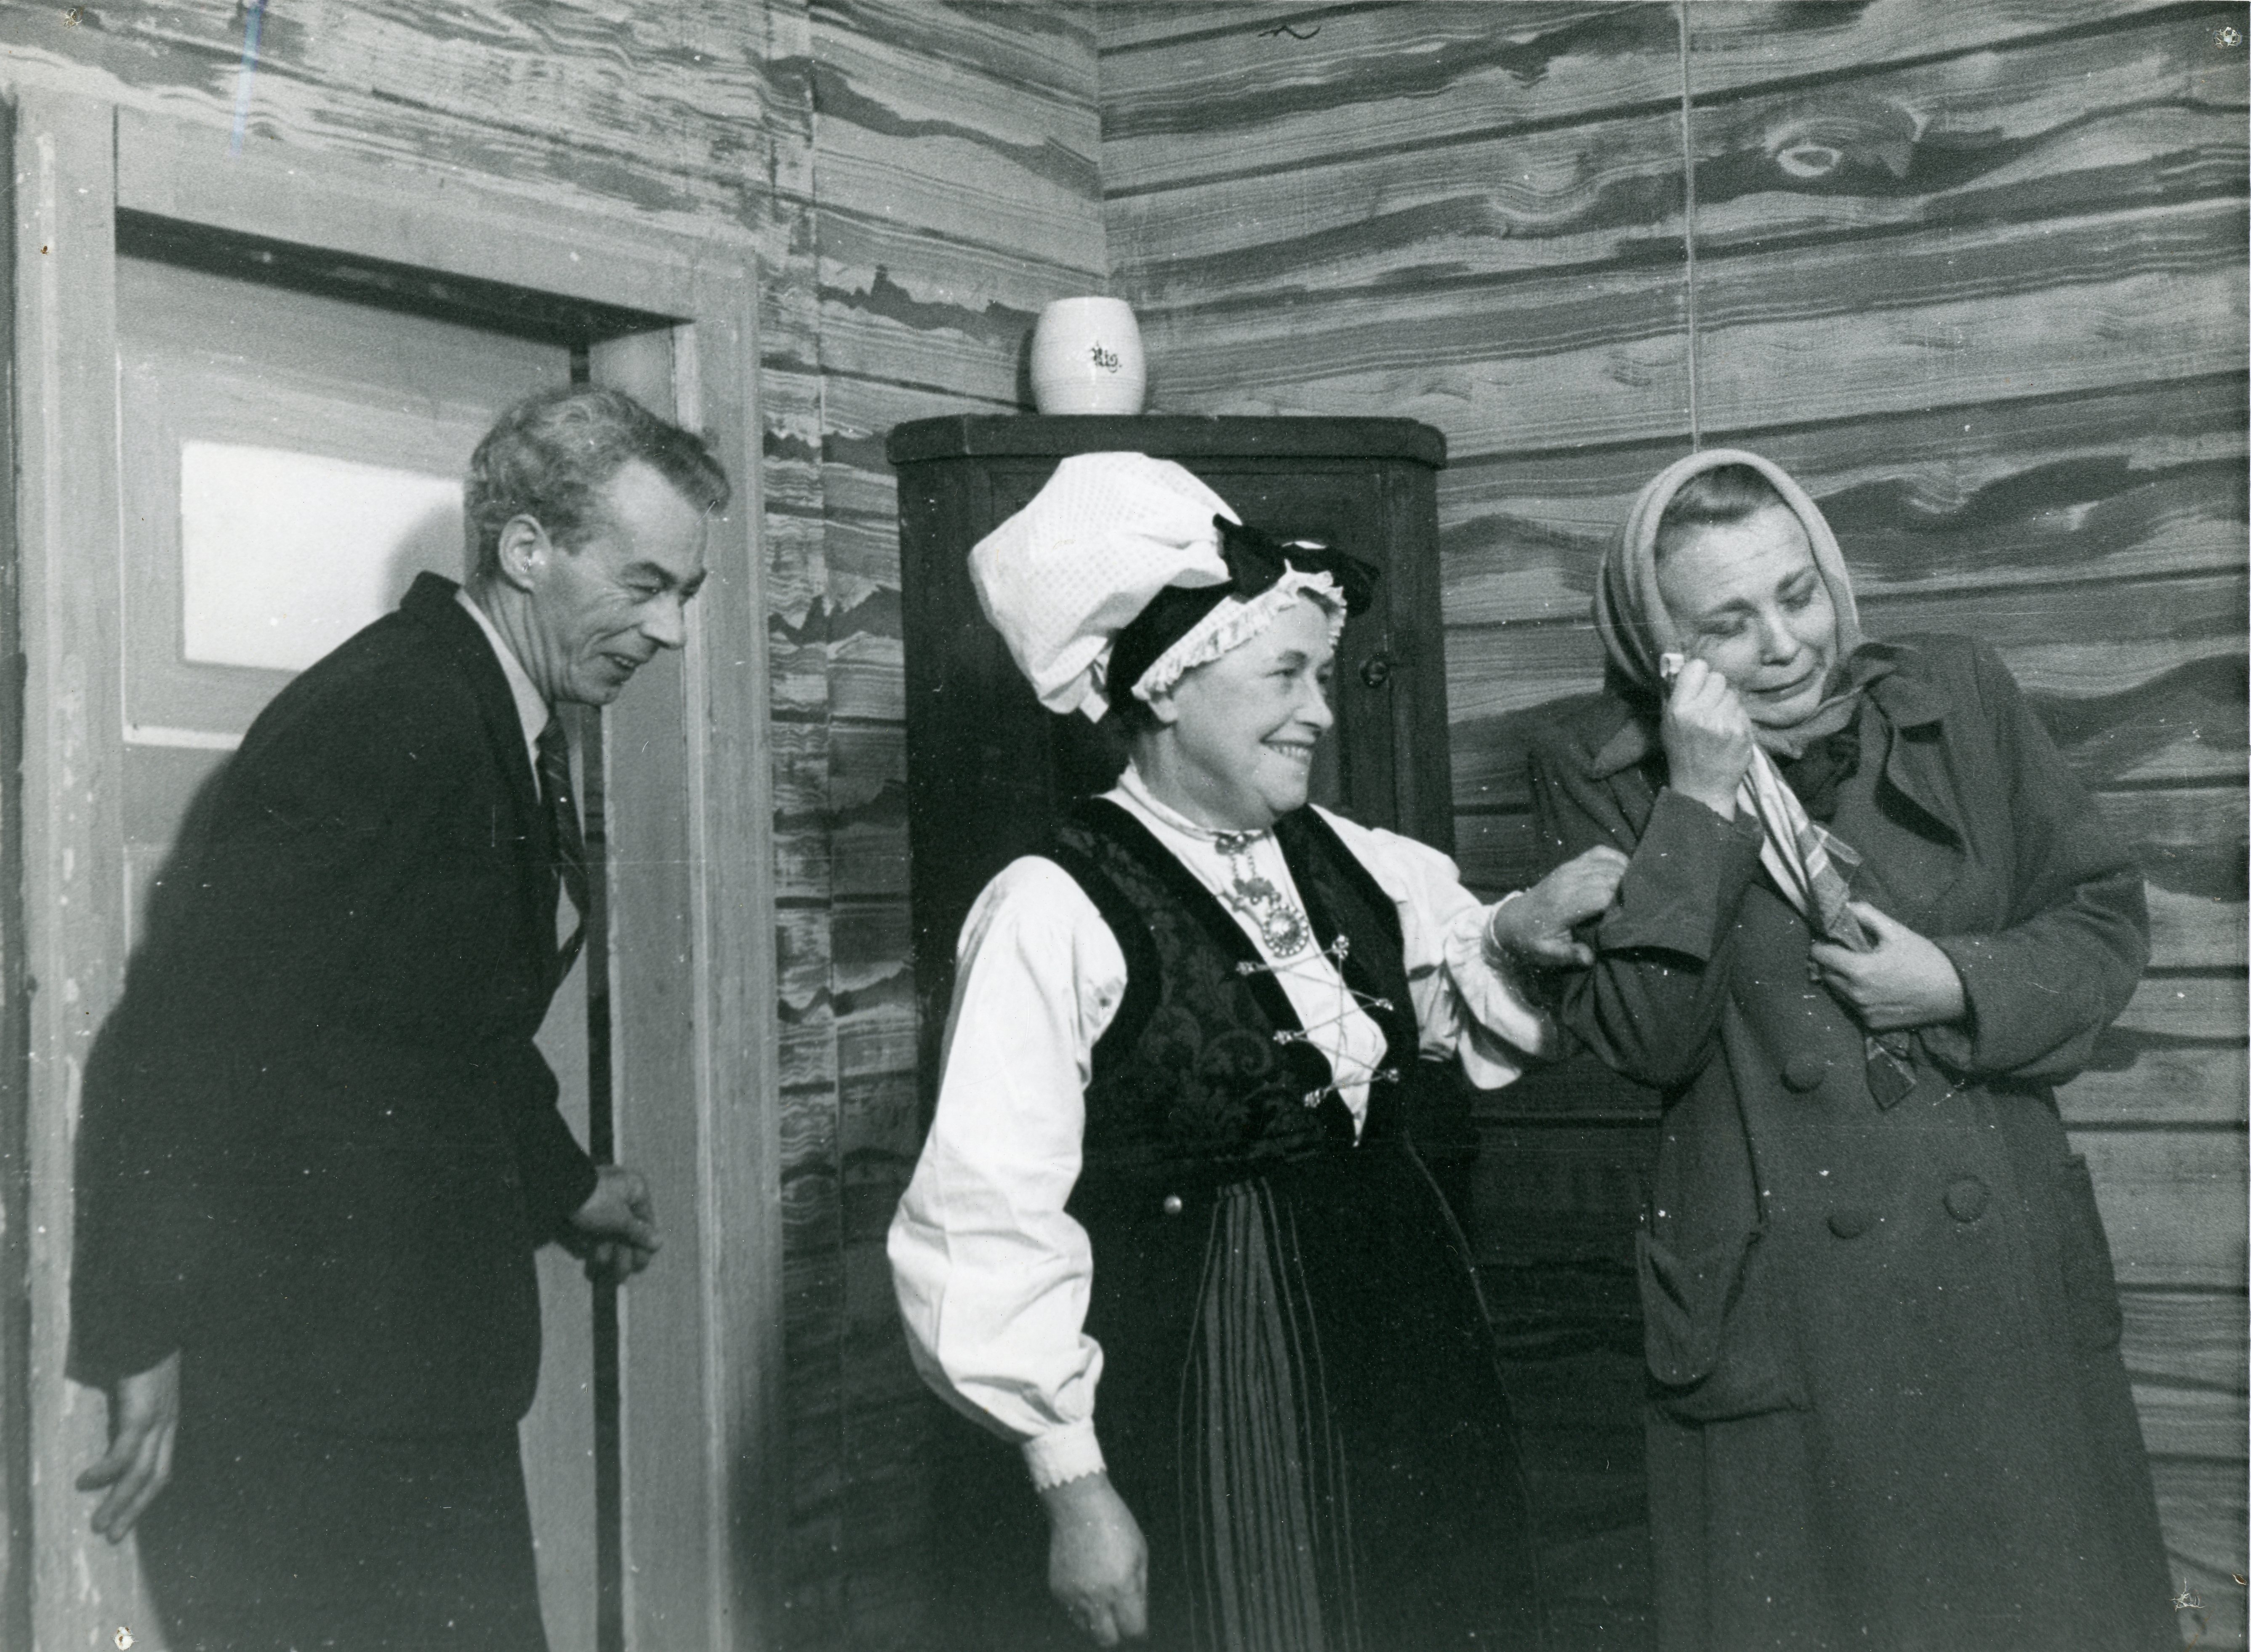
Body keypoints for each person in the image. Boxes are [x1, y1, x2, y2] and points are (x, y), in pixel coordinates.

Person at [887, 453, 1628, 1651]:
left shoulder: (1347, 855)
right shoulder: (1049, 908)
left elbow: (1447, 982)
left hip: (1404, 1341)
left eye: (1321, 675)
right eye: (1286, 673)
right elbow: (984, 1218)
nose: (1321, 710)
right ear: (1167, 689)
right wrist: (1072, 1484)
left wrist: (1514, 928)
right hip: (1214, 1374)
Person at [68, 385, 731, 1651]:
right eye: (645, 584)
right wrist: (139, 1332)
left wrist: (567, 1183)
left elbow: (441, 1021)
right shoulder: (389, 714)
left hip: (411, 1383)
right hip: (315, 1407)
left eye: (684, 594)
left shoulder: (488, 709)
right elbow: (188, 1033)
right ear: (526, 549)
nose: (670, 631)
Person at [1525, 448, 2175, 1652]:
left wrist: (1956, 982)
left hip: (1995, 1284)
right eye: (1727, 623)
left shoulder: (1958, 694)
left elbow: (2100, 920)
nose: (1785, 646)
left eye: (1799, 594)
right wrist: (1698, 800)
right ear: (1660, 646)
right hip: (1788, 1320)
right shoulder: (1596, 766)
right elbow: (1647, 1042)